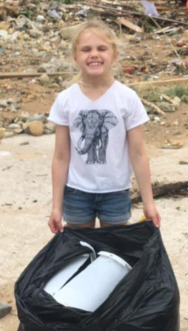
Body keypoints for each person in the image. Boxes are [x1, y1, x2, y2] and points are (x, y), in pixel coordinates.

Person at [47, 20, 161, 233]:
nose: (94, 54)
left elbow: (138, 154)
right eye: (86, 49)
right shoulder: (65, 100)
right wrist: (56, 206)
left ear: (114, 55)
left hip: (116, 191)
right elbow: (61, 156)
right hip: (77, 191)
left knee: (115, 249)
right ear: (75, 57)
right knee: (80, 251)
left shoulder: (127, 98)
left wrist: (149, 203)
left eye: (101, 48)